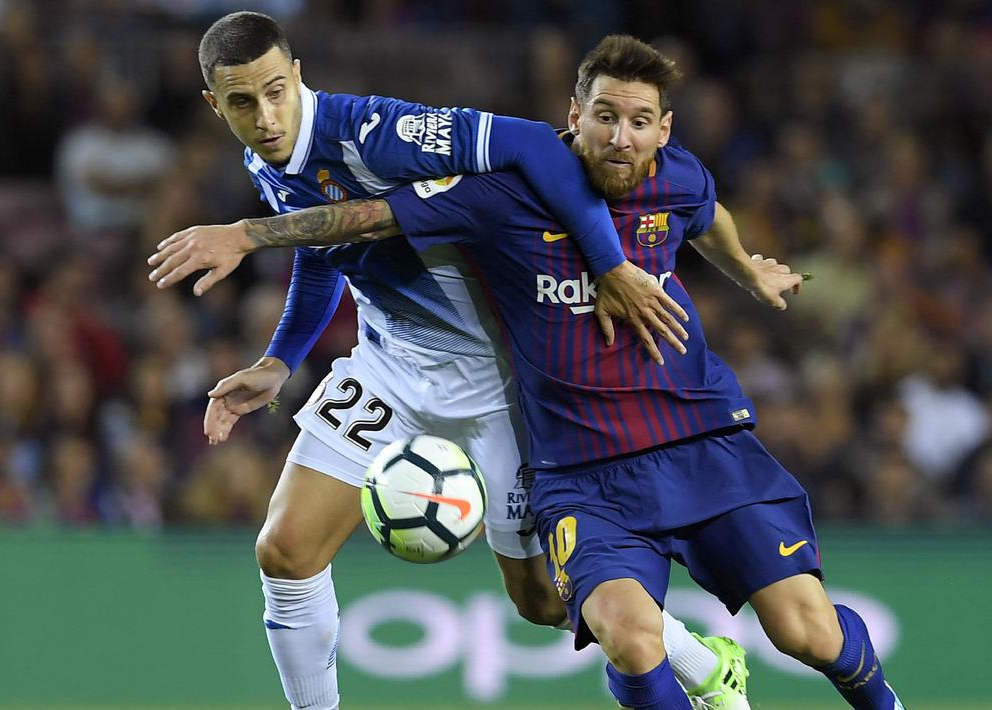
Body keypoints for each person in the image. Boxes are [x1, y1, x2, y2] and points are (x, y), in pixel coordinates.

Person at [155, 34, 908, 710]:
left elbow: (537, 150)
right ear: (213, 104)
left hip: (496, 381)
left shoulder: (375, 132)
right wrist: (280, 360)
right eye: (242, 102)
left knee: (546, 606)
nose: (264, 114)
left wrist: (636, 268)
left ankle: (695, 655)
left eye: (275, 91)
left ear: (298, 74)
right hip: (392, 367)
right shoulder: (266, 153)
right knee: (283, 550)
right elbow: (326, 251)